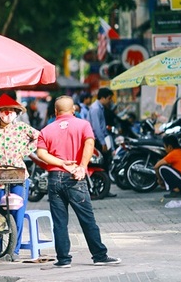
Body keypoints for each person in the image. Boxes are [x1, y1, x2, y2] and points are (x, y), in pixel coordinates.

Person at [37, 96, 121, 268]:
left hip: (55, 178)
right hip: (76, 177)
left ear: (55, 111)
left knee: (60, 222)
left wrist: (60, 163)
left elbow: (41, 154)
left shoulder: (46, 130)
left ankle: (63, 259)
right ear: (73, 109)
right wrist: (82, 166)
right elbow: (90, 144)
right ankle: (99, 256)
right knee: (87, 219)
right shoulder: (83, 125)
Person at [0, 93, 40, 259]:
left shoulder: (21, 128)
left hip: (19, 175)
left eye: (11, 110)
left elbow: (40, 138)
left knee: (17, 212)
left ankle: (15, 250)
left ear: (15, 112)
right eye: (3, 111)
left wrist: (24, 151)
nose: (7, 113)